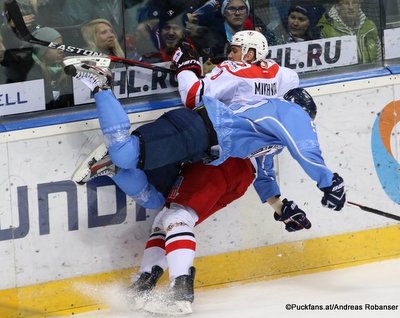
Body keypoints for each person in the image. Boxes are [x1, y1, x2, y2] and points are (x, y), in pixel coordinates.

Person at [63, 31, 346, 313]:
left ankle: (100, 84)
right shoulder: (268, 119)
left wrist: (328, 182)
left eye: (236, 50)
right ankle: (145, 283)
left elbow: (197, 96)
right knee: (161, 210)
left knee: (156, 193)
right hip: (231, 168)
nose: (231, 54)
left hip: (217, 150)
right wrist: (281, 206)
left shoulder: (281, 109)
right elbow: (265, 172)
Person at [317, 0, 382, 64]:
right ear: (338, 6)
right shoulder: (325, 30)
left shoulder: (370, 27)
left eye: (354, 3)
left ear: (359, 5)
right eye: (346, 3)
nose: (351, 7)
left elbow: (380, 59)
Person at [26, 27, 73, 110]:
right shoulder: (31, 75)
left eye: (61, 45)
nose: (61, 50)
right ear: (41, 49)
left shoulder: (68, 70)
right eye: (55, 46)